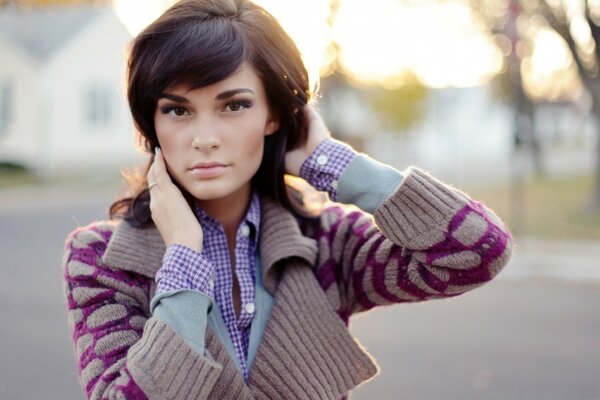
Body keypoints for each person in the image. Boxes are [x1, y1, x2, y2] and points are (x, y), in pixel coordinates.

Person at [61, 0, 514, 398]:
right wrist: (182, 258)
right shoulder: (100, 260)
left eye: (233, 105)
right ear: (151, 125)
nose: (204, 139)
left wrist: (335, 164)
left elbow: (479, 250)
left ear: (275, 114)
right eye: (177, 110)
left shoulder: (327, 243)